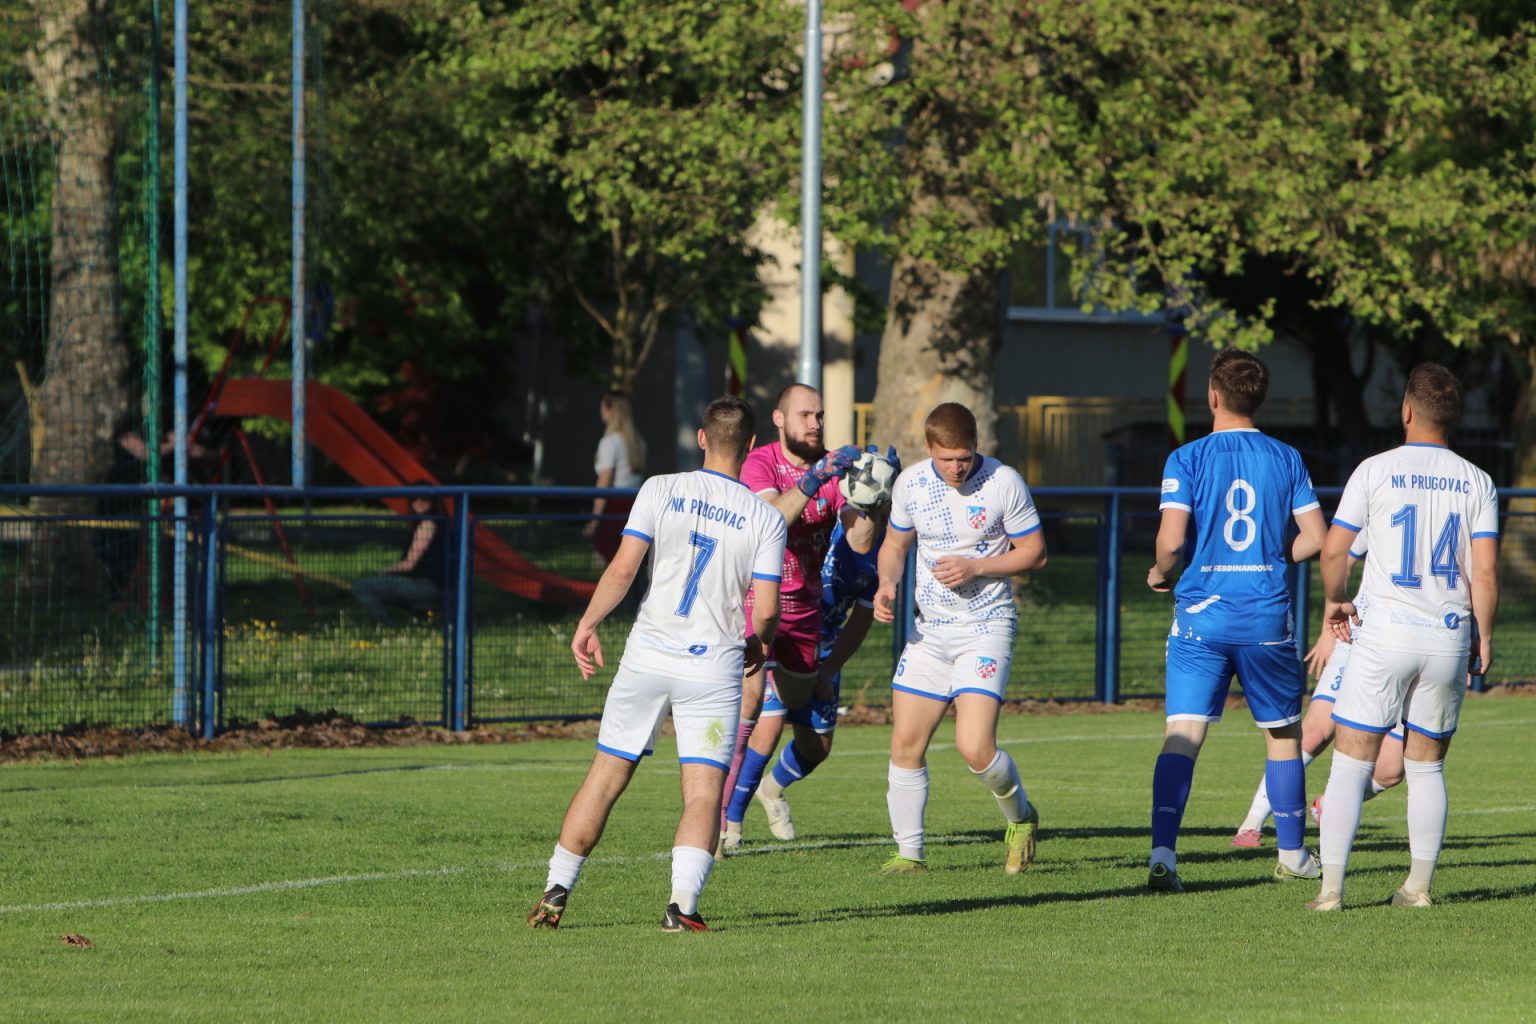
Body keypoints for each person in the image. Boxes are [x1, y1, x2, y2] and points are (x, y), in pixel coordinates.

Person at [527, 396, 787, 933]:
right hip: (712, 666)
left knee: (605, 775)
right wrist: (759, 644)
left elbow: (623, 570)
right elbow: (765, 610)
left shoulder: (659, 488)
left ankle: (556, 890)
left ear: (702, 438)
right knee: (703, 790)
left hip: (647, 653)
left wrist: (588, 624)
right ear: (751, 446)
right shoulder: (765, 516)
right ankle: (681, 908)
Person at [1309, 363, 1499, 911]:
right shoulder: (1478, 480)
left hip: (1385, 635)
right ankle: (1417, 888)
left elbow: (1334, 549)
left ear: (1407, 410)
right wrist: (1484, 635)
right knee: (1426, 766)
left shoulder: (1375, 470)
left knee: (1351, 763)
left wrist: (1335, 601)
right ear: (1454, 417)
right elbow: (1485, 572)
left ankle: (1331, 891)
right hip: (1447, 635)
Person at [1145, 348, 1327, 893]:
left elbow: (1171, 543)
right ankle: (1292, 855)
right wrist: (1274, 557)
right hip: (1265, 618)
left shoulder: (1186, 458)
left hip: (1201, 618)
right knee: (1283, 735)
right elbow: (1317, 537)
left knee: (1183, 734)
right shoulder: (1286, 457)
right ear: (1259, 399)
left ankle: (1163, 854)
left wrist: (1160, 573)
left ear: (1213, 396)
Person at [871, 402, 1047, 875]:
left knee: (974, 747)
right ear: (929, 448)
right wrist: (886, 583)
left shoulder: (1003, 482)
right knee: (905, 744)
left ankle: (1020, 818)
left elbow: (1035, 553)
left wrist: (978, 566)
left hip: (986, 628)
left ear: (976, 447)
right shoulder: (911, 483)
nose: (956, 467)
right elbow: (894, 545)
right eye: (946, 458)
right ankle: (909, 855)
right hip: (929, 633)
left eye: (964, 457)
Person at [718, 384, 874, 851]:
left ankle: (761, 793)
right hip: (757, 599)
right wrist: (811, 481)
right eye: (805, 414)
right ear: (779, 419)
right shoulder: (760, 462)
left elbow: (860, 543)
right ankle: (723, 822)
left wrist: (873, 496)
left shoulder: (835, 469)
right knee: (756, 711)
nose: (815, 423)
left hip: (806, 614)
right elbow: (769, 520)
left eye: (820, 415)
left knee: (810, 732)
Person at [728, 492, 891, 844]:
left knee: (817, 747)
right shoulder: (828, 526)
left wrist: (829, 670)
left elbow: (859, 622)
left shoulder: (886, 554)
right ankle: (731, 824)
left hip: (823, 645)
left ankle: (771, 788)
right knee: (768, 726)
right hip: (781, 631)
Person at [1230, 553, 1405, 847]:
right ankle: (1252, 823)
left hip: (1420, 647)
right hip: (1359, 639)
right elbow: (1338, 560)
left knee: (1390, 770)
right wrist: (1328, 630)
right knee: (1313, 735)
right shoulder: (1374, 520)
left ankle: (1329, 805)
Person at [351, 487, 445, 625]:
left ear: (433, 501)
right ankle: (419, 619)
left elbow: (409, 564)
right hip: (438, 587)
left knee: (361, 586)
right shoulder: (442, 523)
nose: (419, 501)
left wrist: (384, 572)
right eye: (414, 498)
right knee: (385, 584)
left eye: (424, 498)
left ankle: (386, 625)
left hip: (427, 588)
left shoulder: (427, 525)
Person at [583, 391, 647, 563]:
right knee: (630, 561)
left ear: (611, 410)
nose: (601, 410)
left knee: (608, 559)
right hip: (635, 506)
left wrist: (595, 521)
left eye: (603, 407)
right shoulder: (638, 442)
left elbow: (604, 483)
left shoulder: (610, 442)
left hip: (614, 507)